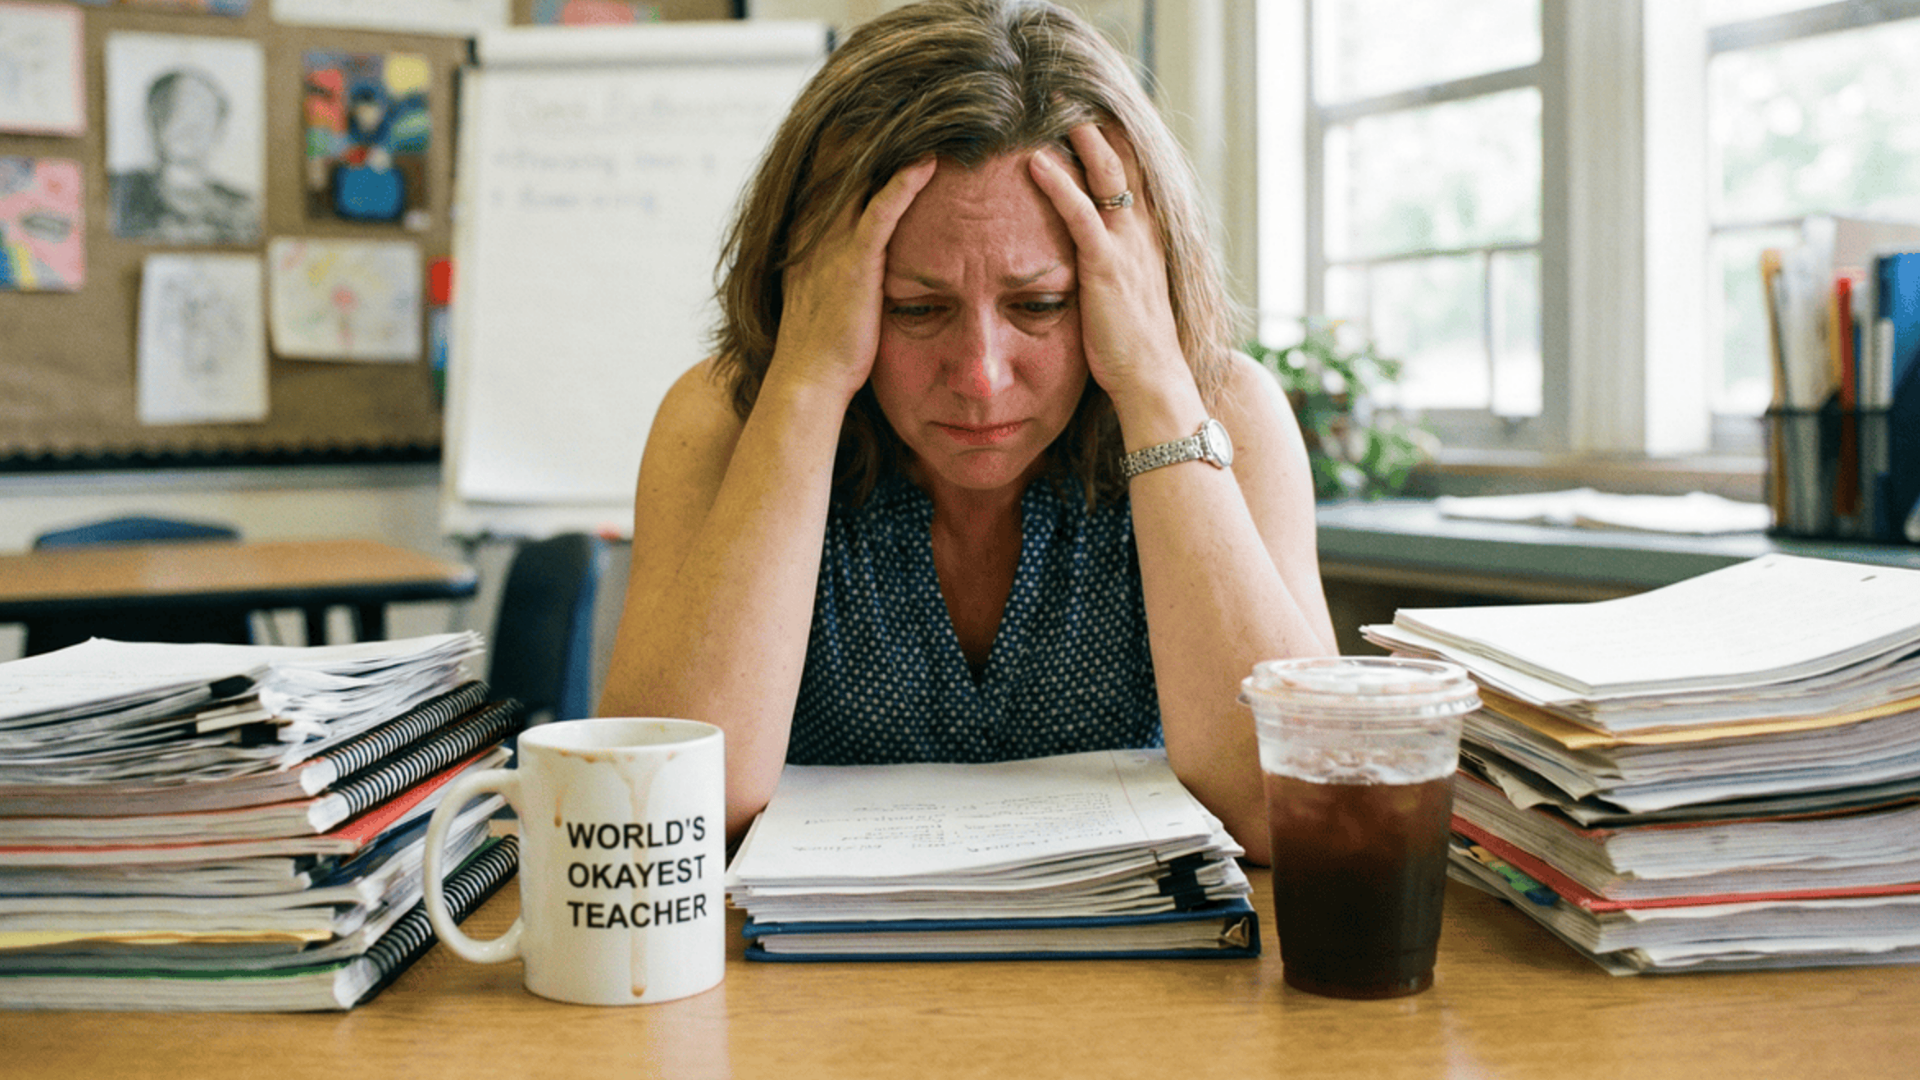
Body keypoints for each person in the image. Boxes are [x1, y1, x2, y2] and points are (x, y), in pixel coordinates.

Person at [599, 0, 1336, 863]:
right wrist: (806, 384)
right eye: (916, 309)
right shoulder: (723, 421)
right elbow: (656, 816)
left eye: (1040, 304)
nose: (982, 376)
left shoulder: (1228, 413)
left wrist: (1158, 384)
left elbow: (1297, 806)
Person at [110, 67, 259, 245]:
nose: (188, 126)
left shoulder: (244, 209)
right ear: (153, 118)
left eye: (201, 113)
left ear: (219, 128)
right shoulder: (119, 191)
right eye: (176, 110)